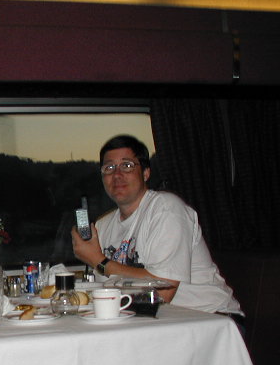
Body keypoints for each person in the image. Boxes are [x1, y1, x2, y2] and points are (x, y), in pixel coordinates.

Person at [71, 134, 242, 316]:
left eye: (127, 166)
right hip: (152, 317)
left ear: (146, 173)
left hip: (210, 316)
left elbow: (162, 291)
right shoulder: (103, 226)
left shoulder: (167, 210)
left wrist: (99, 261)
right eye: (109, 168)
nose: (117, 175)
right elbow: (107, 291)